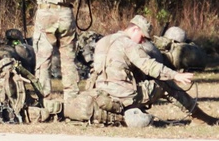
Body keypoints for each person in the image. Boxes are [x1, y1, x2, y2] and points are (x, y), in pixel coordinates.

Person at [68, 15, 217, 125]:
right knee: (164, 84)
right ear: (134, 29)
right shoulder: (129, 44)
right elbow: (149, 66)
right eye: (142, 37)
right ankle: (200, 117)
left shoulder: (103, 41)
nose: (142, 41)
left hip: (102, 93)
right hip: (124, 95)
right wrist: (175, 75)